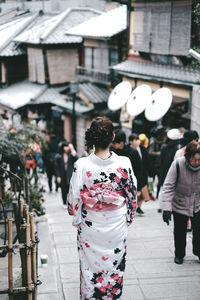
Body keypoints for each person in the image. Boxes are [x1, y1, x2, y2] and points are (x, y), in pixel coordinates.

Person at [67, 116, 137, 299]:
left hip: (90, 225)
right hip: (116, 225)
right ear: (112, 137)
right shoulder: (124, 163)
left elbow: (73, 201)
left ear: (91, 138)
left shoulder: (81, 165)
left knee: (89, 267)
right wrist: (128, 217)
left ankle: (91, 295)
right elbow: (132, 196)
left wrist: (76, 212)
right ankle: (112, 295)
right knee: (114, 266)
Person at [162, 141, 200, 264]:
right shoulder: (178, 164)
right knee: (179, 231)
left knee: (199, 231)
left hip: (198, 204)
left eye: (199, 160)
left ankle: (198, 252)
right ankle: (179, 254)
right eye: (195, 160)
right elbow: (168, 186)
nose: (197, 162)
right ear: (188, 157)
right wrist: (166, 208)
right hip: (180, 203)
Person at [110, 129, 142, 203]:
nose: (112, 144)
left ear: (121, 142)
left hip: (129, 184)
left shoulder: (133, 152)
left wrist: (139, 188)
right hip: (114, 185)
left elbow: (139, 170)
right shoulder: (111, 151)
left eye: (114, 143)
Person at [157, 128, 182, 212]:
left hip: (163, 169)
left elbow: (161, 160)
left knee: (163, 188)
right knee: (171, 189)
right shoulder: (177, 148)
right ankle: (169, 206)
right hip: (172, 169)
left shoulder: (164, 147)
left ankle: (161, 206)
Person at [129, 133, 150, 214]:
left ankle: (139, 207)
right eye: (136, 140)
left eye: (138, 139)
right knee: (134, 191)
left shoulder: (142, 148)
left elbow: (147, 159)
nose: (137, 141)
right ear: (131, 141)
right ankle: (133, 206)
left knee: (142, 190)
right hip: (134, 172)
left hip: (143, 172)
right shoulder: (129, 150)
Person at [55, 140, 78, 207]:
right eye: (65, 147)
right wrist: (58, 176)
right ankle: (64, 202)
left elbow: (77, 159)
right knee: (63, 188)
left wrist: (72, 149)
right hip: (62, 174)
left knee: (70, 188)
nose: (66, 148)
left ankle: (69, 202)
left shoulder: (71, 154)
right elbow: (57, 167)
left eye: (67, 147)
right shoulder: (59, 155)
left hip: (69, 173)